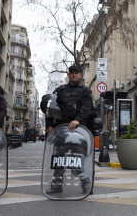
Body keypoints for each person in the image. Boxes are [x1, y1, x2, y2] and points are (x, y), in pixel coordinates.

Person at [44, 65, 93, 195]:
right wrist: (49, 126)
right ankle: (56, 185)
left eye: (77, 73)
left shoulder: (85, 91)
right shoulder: (59, 91)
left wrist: (77, 119)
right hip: (62, 130)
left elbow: (86, 108)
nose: (74, 75)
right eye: (71, 72)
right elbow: (49, 108)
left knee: (81, 159)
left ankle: (86, 185)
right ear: (68, 74)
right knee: (59, 158)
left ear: (80, 75)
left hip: (79, 130)